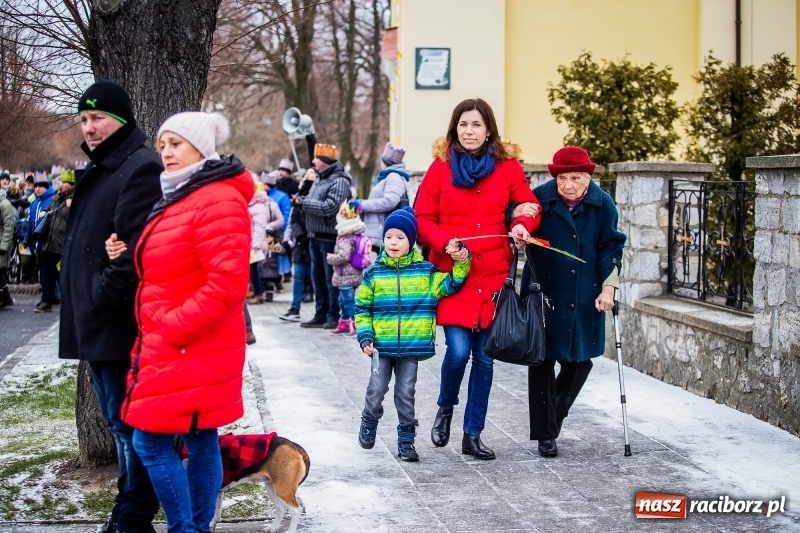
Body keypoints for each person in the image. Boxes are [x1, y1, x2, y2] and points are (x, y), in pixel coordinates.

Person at [109, 111, 252, 533]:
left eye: (176, 143)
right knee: (200, 437)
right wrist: (129, 254)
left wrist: (171, 326)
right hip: (177, 344)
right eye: (163, 145)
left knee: (150, 441)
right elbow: (176, 263)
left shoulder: (216, 198)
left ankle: (185, 528)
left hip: (189, 344)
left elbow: (226, 285)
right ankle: (195, 528)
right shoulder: (183, 193)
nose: (166, 153)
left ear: (201, 148)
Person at [59, 79, 161, 533]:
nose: (90, 127)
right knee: (118, 424)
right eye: (84, 119)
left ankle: (132, 516)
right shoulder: (104, 166)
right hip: (97, 324)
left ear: (121, 119)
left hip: (119, 324)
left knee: (130, 426)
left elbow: (137, 253)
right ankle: (126, 511)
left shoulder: (138, 167)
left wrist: (100, 293)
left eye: (98, 118)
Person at [414, 97, 541, 460]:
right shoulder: (439, 170)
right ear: (455, 128)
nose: (470, 132)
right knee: (458, 352)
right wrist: (444, 243)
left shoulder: (508, 168)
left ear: (489, 130)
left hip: (493, 277)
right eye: (463, 125)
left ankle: (473, 434)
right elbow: (422, 218)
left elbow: (528, 206)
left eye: (477, 125)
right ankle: (445, 407)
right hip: (455, 274)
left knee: (485, 359)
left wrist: (520, 224)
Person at [519, 146, 626, 458]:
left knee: (579, 362)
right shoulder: (539, 198)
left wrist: (609, 289)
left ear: (588, 177)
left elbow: (611, 246)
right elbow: (520, 222)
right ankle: (545, 436)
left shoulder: (602, 203)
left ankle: (551, 419)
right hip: (544, 293)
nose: (568, 185)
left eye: (575, 178)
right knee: (541, 361)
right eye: (562, 178)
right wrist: (520, 231)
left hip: (585, 294)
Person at [355, 207, 471, 461]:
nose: (393, 242)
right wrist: (365, 336)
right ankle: (369, 418)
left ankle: (406, 442)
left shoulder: (425, 272)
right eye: (389, 237)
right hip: (380, 347)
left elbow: (451, 284)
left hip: (411, 347)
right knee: (376, 389)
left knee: (405, 393)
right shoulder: (374, 273)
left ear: (412, 240)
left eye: (400, 237)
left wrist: (462, 262)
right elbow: (362, 308)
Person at [295, 143, 352, 329]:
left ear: (326, 161)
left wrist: (304, 204)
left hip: (329, 237)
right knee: (317, 277)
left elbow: (330, 207)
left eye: (317, 158)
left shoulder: (340, 181)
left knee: (330, 279)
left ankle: (332, 315)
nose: (313, 161)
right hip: (314, 236)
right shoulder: (319, 179)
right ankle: (320, 313)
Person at [358, 142, 410, 253]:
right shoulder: (391, 177)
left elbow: (389, 201)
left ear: (385, 162)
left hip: (383, 231)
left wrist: (363, 205)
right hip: (381, 231)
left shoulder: (393, 177)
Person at [325, 200, 367, 334]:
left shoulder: (345, 239)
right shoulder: (354, 235)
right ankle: (344, 323)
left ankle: (356, 325)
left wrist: (330, 258)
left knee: (348, 301)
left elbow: (344, 256)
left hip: (346, 275)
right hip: (353, 273)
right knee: (343, 300)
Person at [35, 169, 74, 313]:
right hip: (49, 243)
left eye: (65, 182)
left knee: (63, 277)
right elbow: (49, 208)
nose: (61, 185)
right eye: (61, 182)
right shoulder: (56, 197)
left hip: (62, 245)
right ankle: (46, 301)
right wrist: (44, 212)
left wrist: (71, 208)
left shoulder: (74, 199)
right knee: (46, 275)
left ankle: (67, 304)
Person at [25, 174, 54, 310]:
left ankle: (47, 299)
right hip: (37, 244)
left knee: (47, 274)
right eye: (35, 187)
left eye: (40, 187)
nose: (37, 189)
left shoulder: (51, 200)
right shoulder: (34, 203)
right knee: (43, 273)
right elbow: (31, 224)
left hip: (48, 243)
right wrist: (27, 238)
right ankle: (48, 297)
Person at [259, 170, 292, 290]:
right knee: (263, 259)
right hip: (261, 234)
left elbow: (286, 214)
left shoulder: (281, 197)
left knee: (275, 256)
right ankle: (266, 282)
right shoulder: (259, 196)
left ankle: (276, 279)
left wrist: (277, 229)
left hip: (275, 233)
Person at [0, 185, 15, 309]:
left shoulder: (5, 204)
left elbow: (9, 227)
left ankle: (5, 298)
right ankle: (6, 298)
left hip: (1, 245)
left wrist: (4, 246)